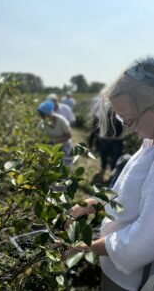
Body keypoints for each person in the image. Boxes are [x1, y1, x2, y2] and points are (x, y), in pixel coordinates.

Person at [64, 57, 154, 291]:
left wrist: (86, 246)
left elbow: (143, 241)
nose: (129, 128)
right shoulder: (149, 143)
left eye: (131, 120)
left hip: (134, 279)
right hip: (116, 268)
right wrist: (93, 203)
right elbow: (131, 196)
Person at [37, 100, 74, 167]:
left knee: (64, 166)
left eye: (43, 115)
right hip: (50, 148)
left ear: (48, 114)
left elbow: (69, 135)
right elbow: (38, 136)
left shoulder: (61, 120)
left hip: (64, 146)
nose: (41, 117)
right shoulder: (42, 123)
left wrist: (55, 141)